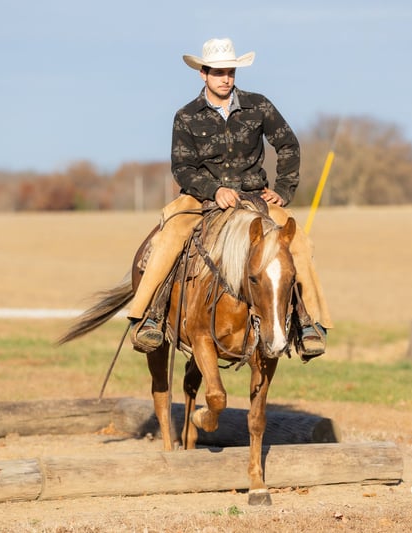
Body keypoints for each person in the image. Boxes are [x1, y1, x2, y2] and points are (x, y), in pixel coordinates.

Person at [127, 37, 332, 358]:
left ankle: (309, 323)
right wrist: (214, 190)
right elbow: (182, 167)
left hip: (254, 198)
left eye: (230, 72)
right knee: (169, 237)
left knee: (299, 243)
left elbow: (288, 145)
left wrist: (283, 190)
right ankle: (149, 315)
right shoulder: (186, 116)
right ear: (203, 74)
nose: (226, 78)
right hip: (200, 199)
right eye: (218, 72)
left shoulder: (258, 106)